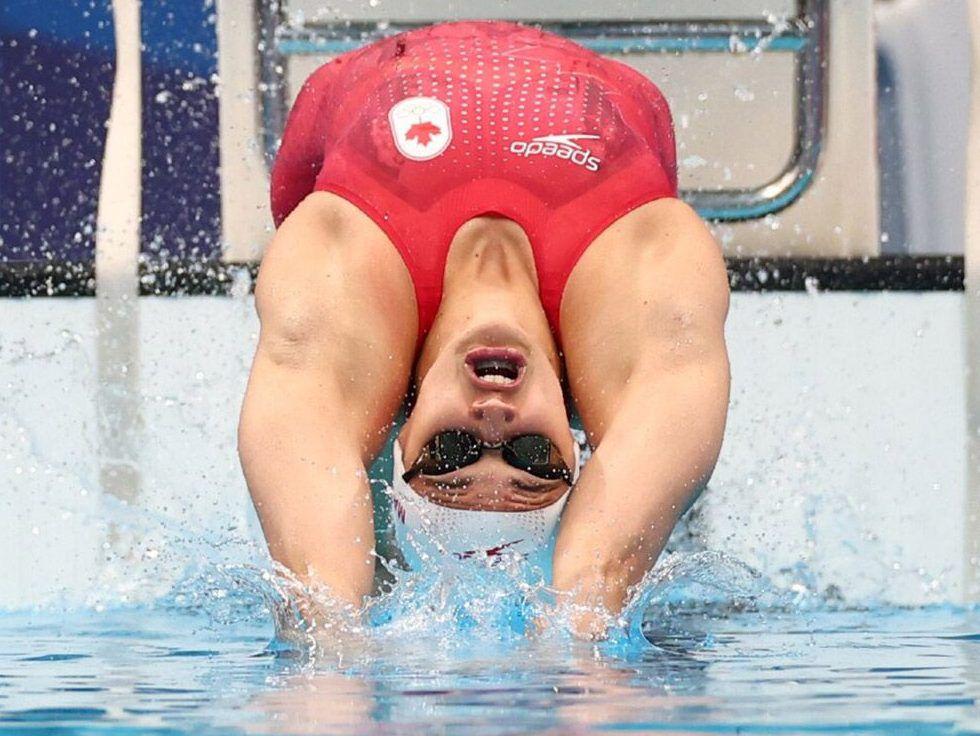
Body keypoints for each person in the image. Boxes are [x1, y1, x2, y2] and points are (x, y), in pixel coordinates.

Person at [238, 19, 730, 638]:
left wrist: (330, 645)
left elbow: (321, 613)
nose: (493, 420)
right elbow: (595, 584)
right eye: (534, 458)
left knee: (322, 401)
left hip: (344, 101)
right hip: (626, 111)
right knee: (659, 432)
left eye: (450, 453)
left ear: (403, 424)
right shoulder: (643, 268)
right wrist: (581, 622)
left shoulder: (343, 269)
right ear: (579, 446)